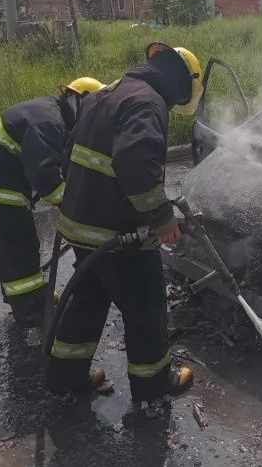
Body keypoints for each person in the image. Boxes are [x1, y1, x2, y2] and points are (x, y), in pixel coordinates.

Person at [46, 43, 203, 414]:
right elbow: (136, 165)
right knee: (145, 306)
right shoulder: (148, 103)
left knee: (87, 301)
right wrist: (161, 217)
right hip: (114, 233)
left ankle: (64, 379)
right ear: (182, 85)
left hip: (81, 225)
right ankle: (152, 388)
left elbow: (70, 152)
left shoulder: (107, 94)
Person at [0, 78, 106, 328]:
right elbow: (45, 175)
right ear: (81, 99)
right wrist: (74, 206)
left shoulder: (55, 115)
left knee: (14, 245)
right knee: (17, 244)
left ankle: (27, 298)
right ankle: (32, 311)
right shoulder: (50, 122)